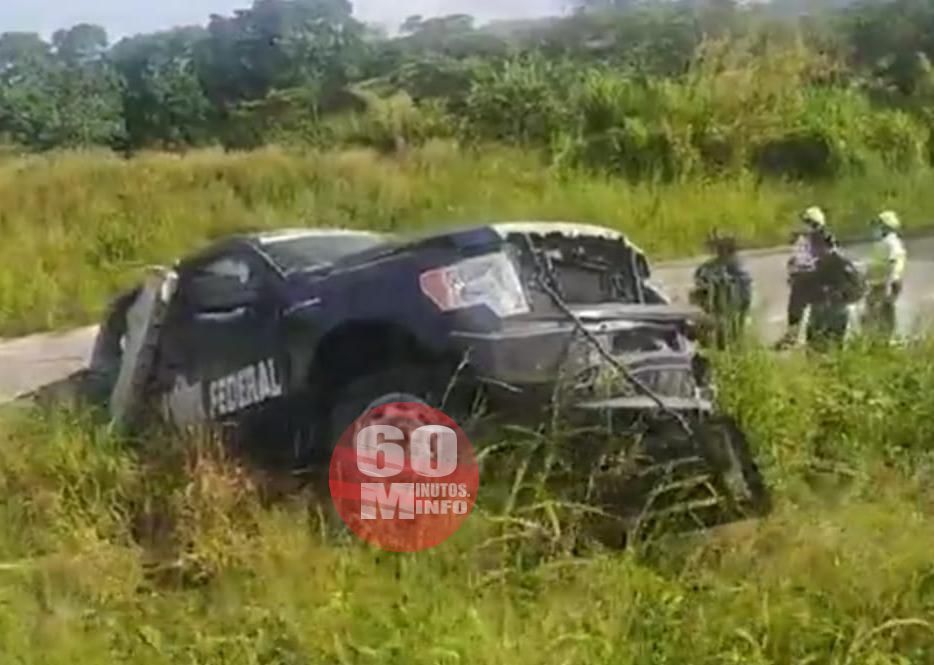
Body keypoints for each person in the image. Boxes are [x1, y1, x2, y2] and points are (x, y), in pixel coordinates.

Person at [778, 206, 838, 348]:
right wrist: (793, 268)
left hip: (814, 278)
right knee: (795, 308)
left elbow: (827, 259)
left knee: (814, 309)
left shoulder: (823, 238)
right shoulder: (806, 238)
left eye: (806, 222)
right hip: (803, 277)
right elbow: (798, 256)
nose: (802, 225)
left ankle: (814, 338)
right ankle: (793, 336)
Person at [802, 232, 866, 351]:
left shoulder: (841, 264)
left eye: (813, 246)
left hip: (836, 313)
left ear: (824, 246)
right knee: (814, 348)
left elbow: (858, 286)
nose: (810, 249)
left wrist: (840, 294)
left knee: (833, 346)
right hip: (818, 313)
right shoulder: (815, 265)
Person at [689, 231, 753, 350]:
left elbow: (744, 288)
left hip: (731, 303)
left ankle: (734, 339)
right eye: (719, 247)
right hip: (713, 303)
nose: (720, 251)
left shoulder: (738, 265)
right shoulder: (708, 266)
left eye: (723, 247)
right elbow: (699, 279)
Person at [862, 210, 907, 343]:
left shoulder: (891, 243)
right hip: (878, 283)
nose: (876, 228)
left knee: (881, 314)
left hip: (886, 284)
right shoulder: (882, 242)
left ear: (886, 227)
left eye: (879, 224)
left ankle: (883, 341)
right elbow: (877, 263)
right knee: (873, 313)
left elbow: (893, 265)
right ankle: (877, 340)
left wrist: (888, 284)